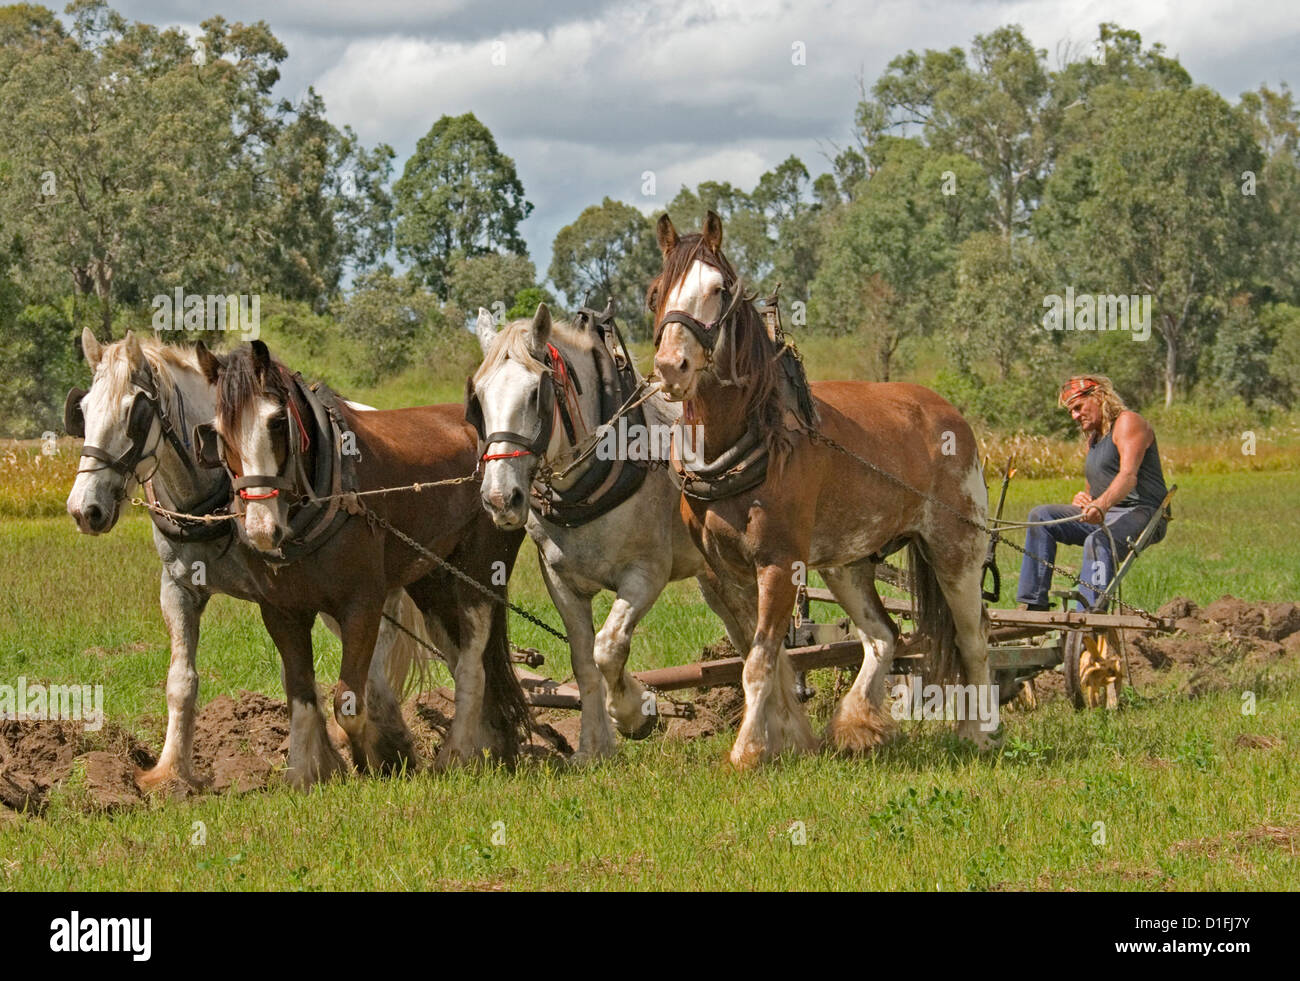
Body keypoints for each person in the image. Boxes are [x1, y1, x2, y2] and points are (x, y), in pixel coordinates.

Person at [1015, 375, 1169, 612]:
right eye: (1071, 412)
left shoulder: (1128, 423)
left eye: (1078, 407)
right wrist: (1084, 501)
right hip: (1108, 512)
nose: (1075, 416)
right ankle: (1033, 604)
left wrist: (1101, 505)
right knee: (1041, 517)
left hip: (1144, 512)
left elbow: (1128, 476)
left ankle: (1088, 612)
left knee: (1098, 540)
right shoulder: (1093, 440)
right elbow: (1093, 491)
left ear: (1098, 397)